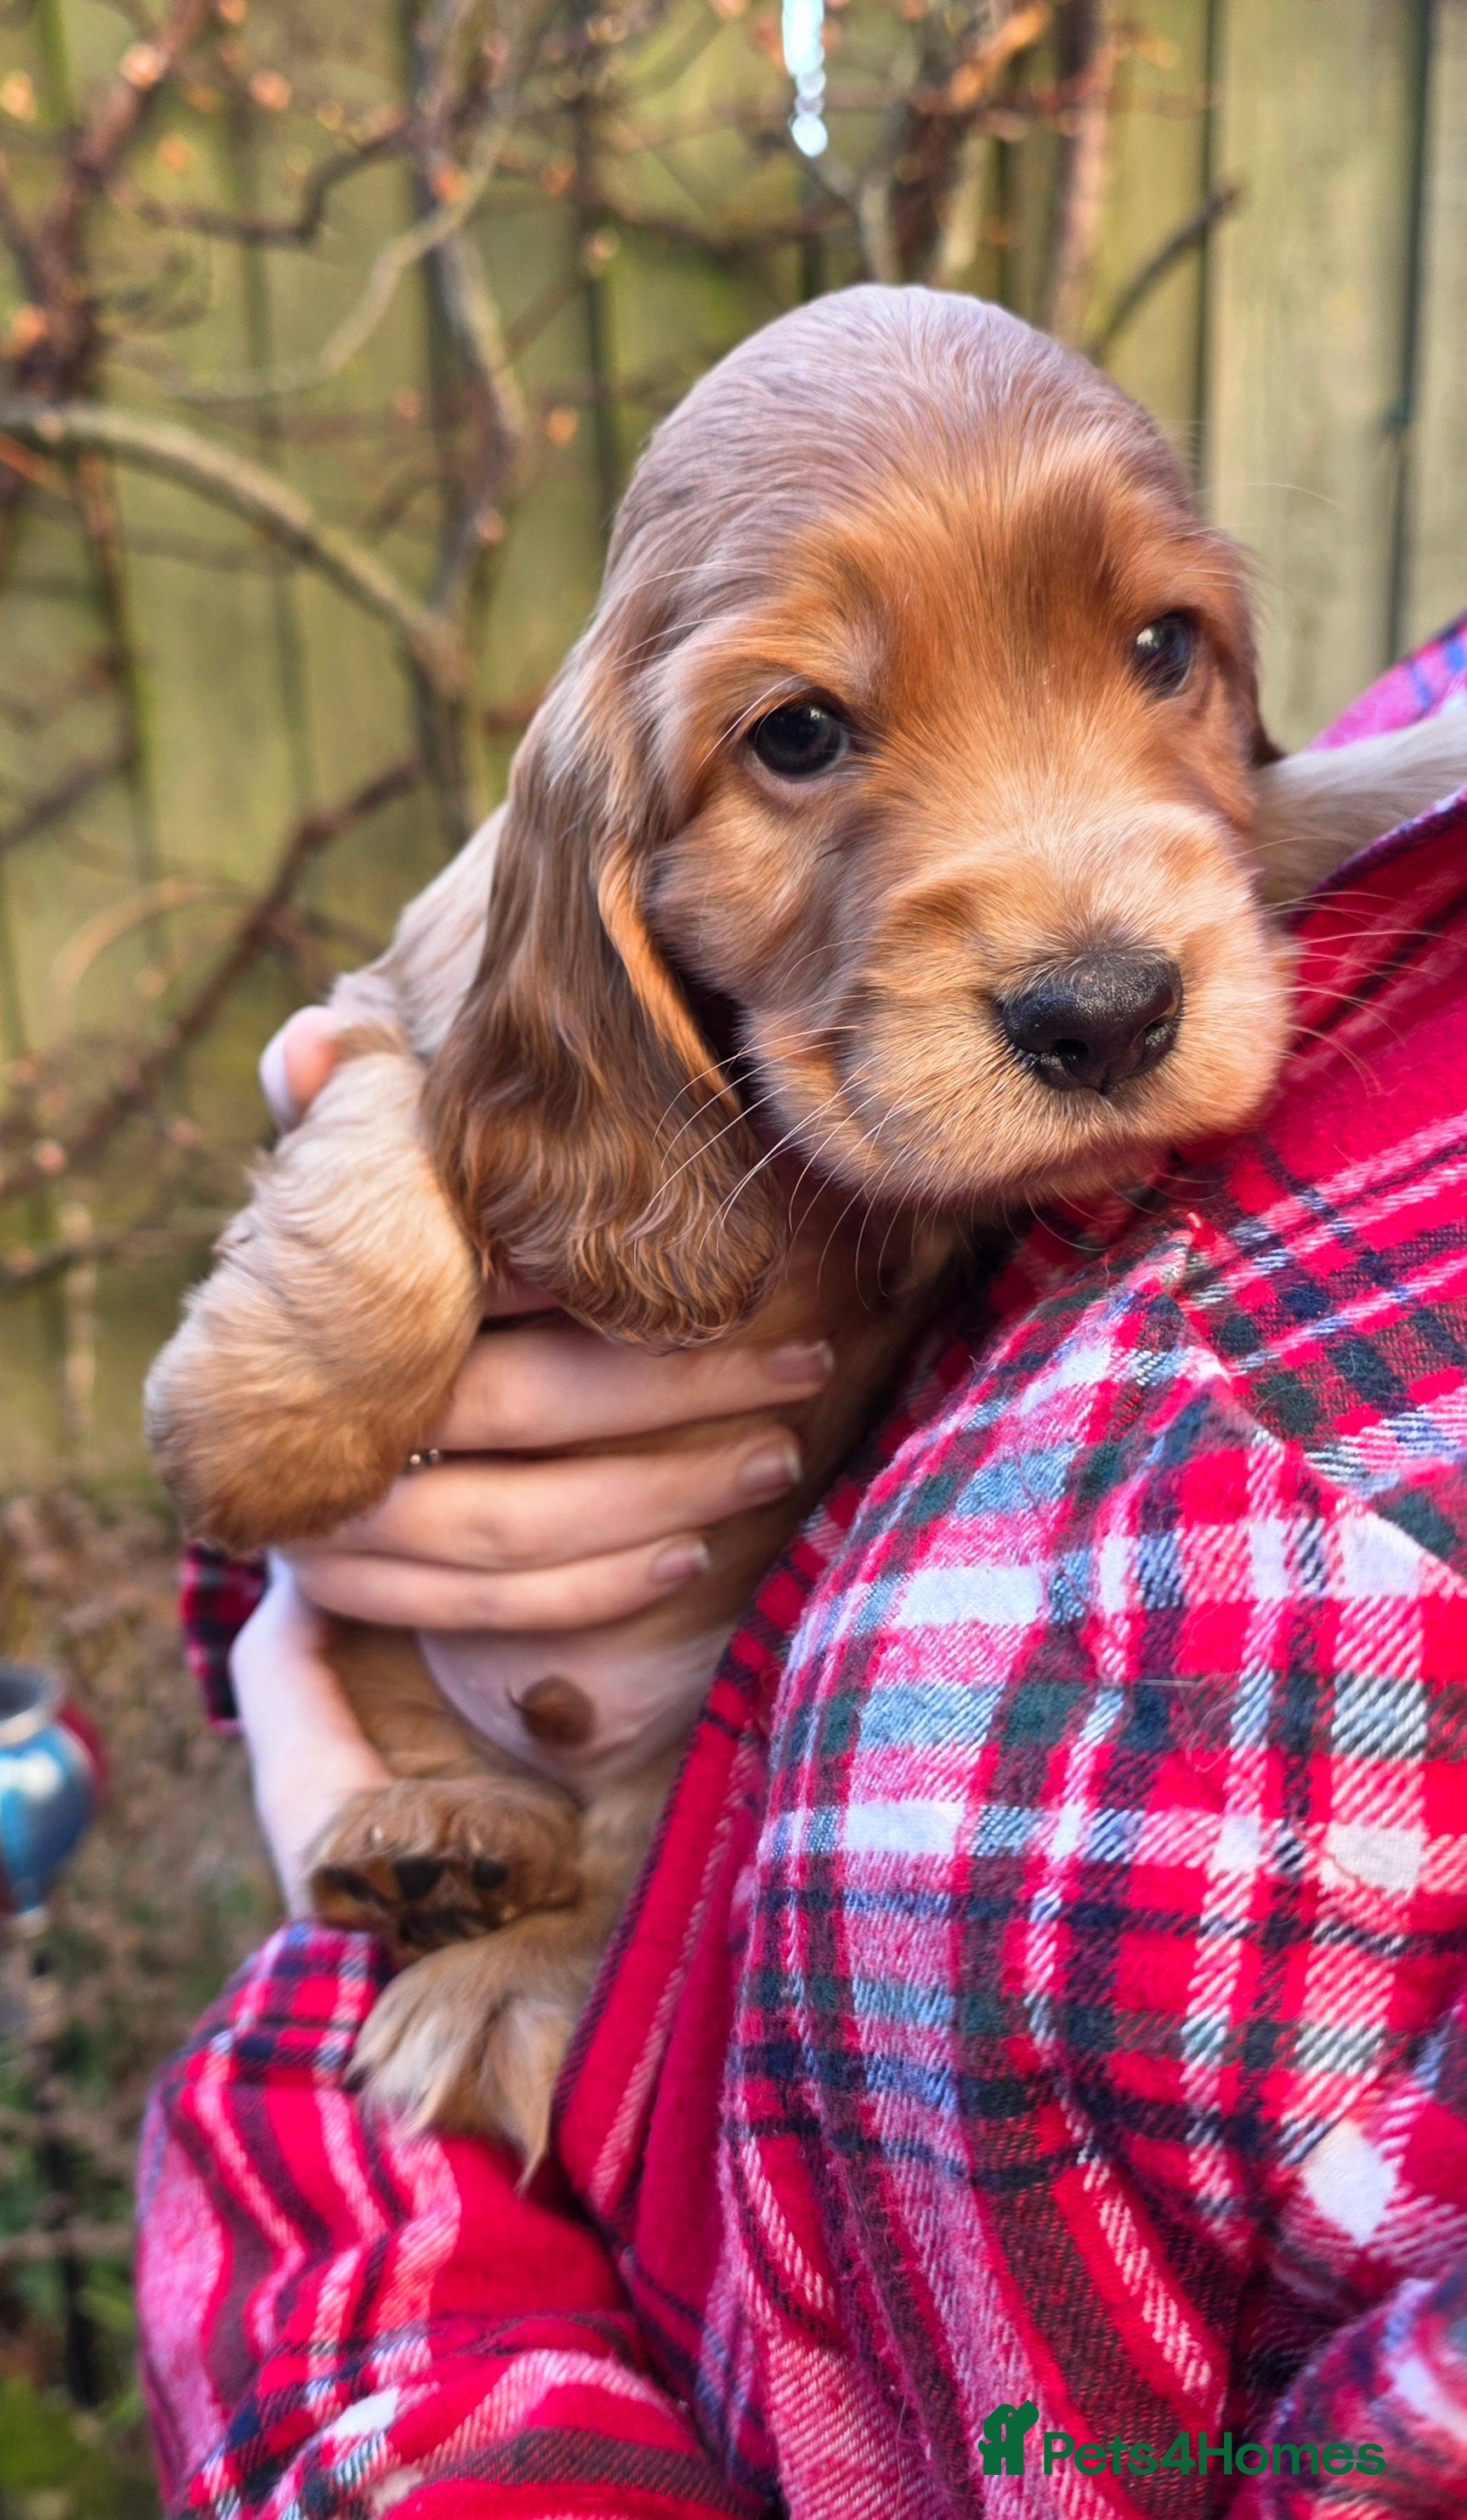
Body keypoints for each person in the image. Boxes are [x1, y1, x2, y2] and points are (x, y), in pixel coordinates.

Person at [138, 625, 1467, 2517]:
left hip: (485, 2230)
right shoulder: (1391, 726)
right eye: (803, 732)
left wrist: (351, 2079)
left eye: (1162, 649)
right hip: (439, 1975)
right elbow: (274, 1484)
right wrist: (371, 1490)